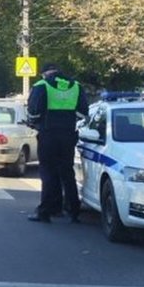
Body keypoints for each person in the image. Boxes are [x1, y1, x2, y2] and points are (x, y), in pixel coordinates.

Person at [26, 63, 88, 223]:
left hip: (48, 134)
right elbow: (83, 113)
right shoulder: (76, 86)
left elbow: (34, 112)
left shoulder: (42, 85)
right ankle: (73, 210)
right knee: (67, 171)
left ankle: (46, 211)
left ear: (44, 73)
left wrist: (34, 122)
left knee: (48, 172)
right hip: (68, 134)